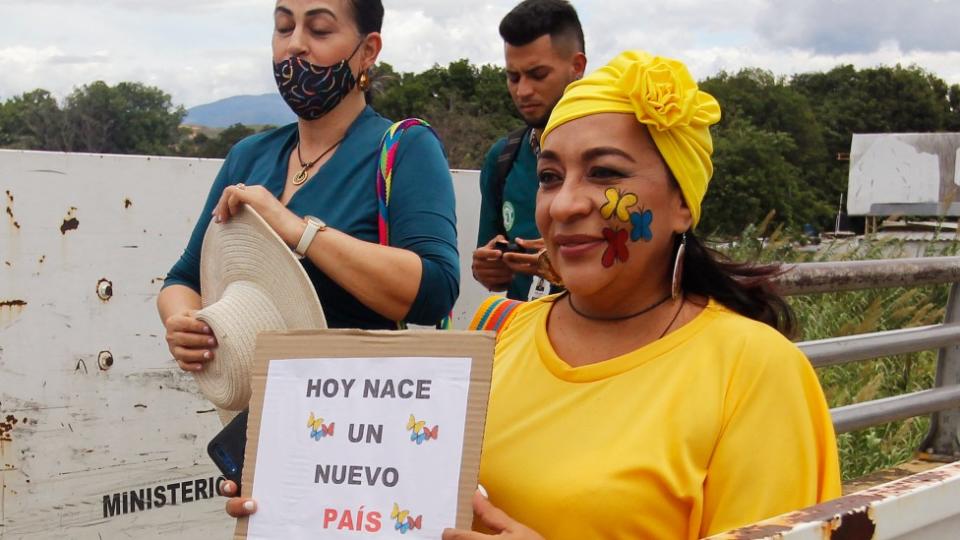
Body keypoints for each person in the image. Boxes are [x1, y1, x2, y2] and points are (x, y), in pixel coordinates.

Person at [219, 50, 841, 538]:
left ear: (682, 204)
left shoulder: (754, 373)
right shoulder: (495, 335)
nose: (565, 204)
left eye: (604, 173)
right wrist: (302, 498)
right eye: (550, 176)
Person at [158, 0, 459, 374]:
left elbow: (436, 290)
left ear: (368, 51)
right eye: (284, 27)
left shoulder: (405, 149)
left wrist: (300, 232)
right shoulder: (249, 156)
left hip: (360, 410)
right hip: (261, 407)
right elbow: (185, 278)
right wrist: (183, 322)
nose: (295, 45)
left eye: (318, 30)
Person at [471, 0, 586, 301]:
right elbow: (494, 276)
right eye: (513, 77)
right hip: (527, 339)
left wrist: (567, 261)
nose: (523, 91)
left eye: (537, 75)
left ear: (577, 67)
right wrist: (487, 269)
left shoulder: (618, 155)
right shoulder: (503, 159)